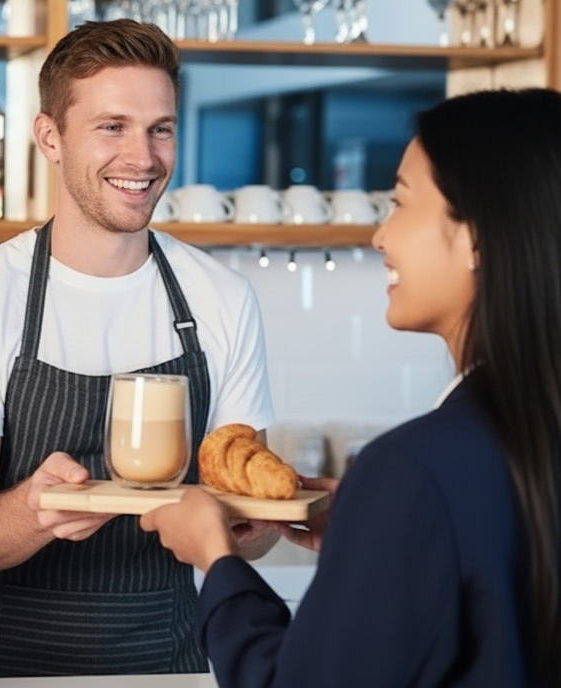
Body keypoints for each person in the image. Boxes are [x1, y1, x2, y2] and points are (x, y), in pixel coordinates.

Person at [140, 87, 561, 688]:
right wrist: (377, 532)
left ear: (476, 239)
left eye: (400, 203)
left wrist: (217, 559)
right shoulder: (511, 443)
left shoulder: (414, 470)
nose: (380, 236)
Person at [0, 19, 276, 678]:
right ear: (49, 137)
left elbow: (241, 506)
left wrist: (258, 526)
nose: (142, 157)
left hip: (172, 659)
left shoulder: (220, 298)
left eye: (159, 128)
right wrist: (34, 511)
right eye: (112, 127)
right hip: (3, 661)